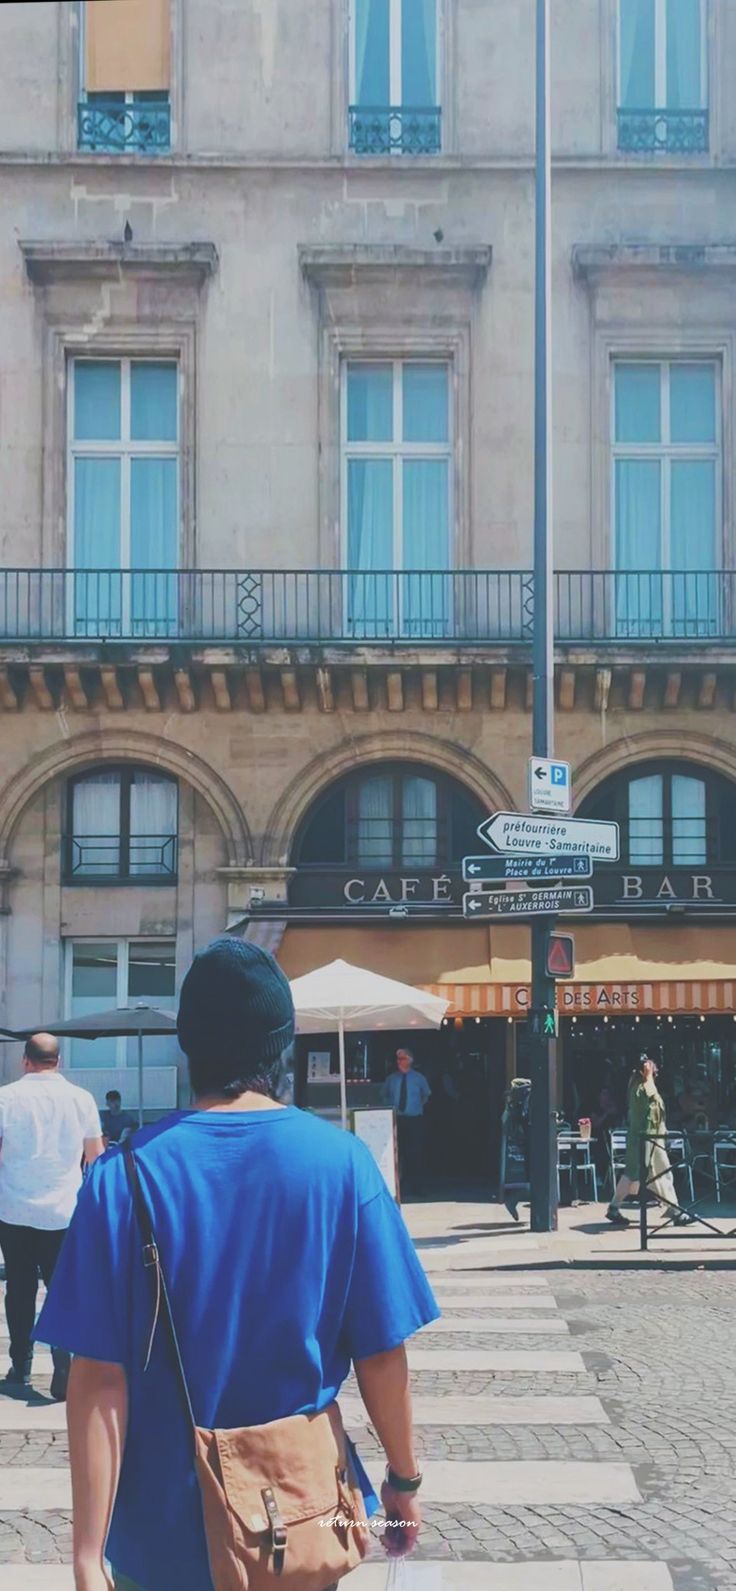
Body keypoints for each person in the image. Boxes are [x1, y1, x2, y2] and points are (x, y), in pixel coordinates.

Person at [35, 936, 439, 1591]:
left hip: (161, 1538)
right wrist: (402, 1477)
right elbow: (382, 1353)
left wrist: (85, 1554)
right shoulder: (342, 1166)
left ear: (186, 1044)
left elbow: (98, 1382)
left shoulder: (120, 1179)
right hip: (300, 1521)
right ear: (283, 1045)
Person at [0, 1032, 103, 1400]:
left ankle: (20, 1365)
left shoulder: (5, 1098)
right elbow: (95, 1156)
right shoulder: (81, 1099)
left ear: (25, 1060)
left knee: (20, 1290)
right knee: (62, 1289)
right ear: (58, 1061)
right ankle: (63, 1363)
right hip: (64, 1210)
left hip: (14, 1208)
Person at [606, 1054, 689, 1227]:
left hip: (646, 1139)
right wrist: (648, 1073)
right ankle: (675, 1211)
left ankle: (614, 1207)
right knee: (661, 1173)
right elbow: (651, 1100)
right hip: (648, 1140)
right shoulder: (643, 1088)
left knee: (632, 1175)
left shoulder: (636, 1086)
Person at [382, 1047, 431, 1197]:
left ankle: (417, 1186)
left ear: (410, 1060)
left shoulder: (419, 1078)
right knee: (398, 1152)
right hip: (397, 1119)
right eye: (398, 1059)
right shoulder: (392, 1078)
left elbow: (426, 1095)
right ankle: (398, 1185)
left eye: (402, 1058)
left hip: (414, 1119)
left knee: (415, 1153)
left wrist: (415, 1107)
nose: (399, 1062)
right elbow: (383, 1095)